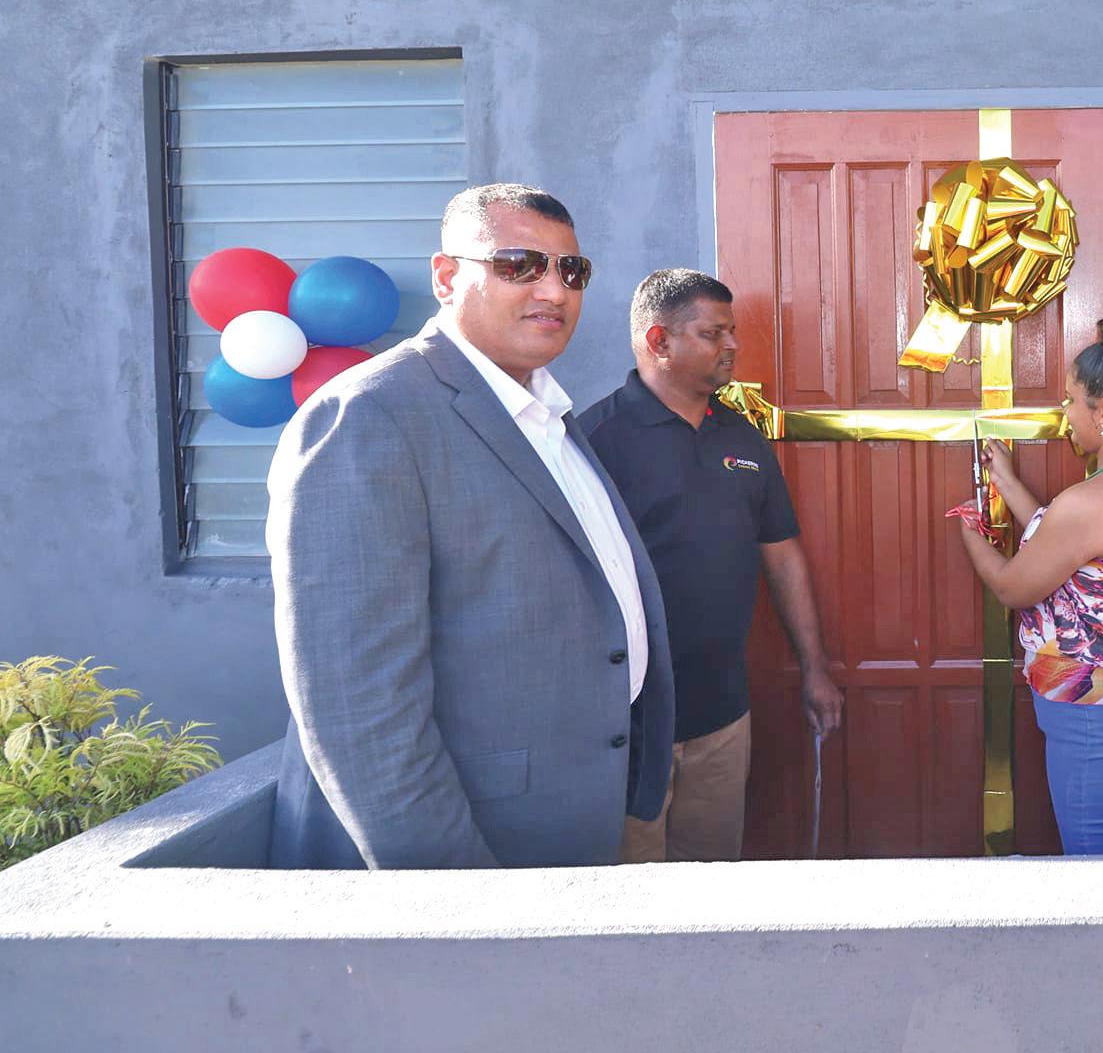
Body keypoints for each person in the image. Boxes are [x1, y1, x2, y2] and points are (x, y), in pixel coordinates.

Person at [268, 183, 675, 869]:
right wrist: (457, 900)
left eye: (572, 270)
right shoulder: (369, 416)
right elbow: (356, 707)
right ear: (446, 276)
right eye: (519, 265)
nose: (554, 290)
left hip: (581, 815)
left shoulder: (542, 411)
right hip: (478, 853)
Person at [583, 269, 843, 862]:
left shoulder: (742, 437)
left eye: (732, 331)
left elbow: (781, 555)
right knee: (634, 889)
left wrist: (815, 668)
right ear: (659, 341)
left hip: (724, 714)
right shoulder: (596, 441)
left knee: (712, 880)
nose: (733, 345)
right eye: (712, 333)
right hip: (629, 723)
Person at [954, 314, 1103, 855]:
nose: (1064, 415)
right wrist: (1008, 482)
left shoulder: (1093, 502)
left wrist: (968, 532)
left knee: (1101, 864)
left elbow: (1013, 587)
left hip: (1099, 714)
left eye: (1071, 400)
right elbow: (1069, 546)